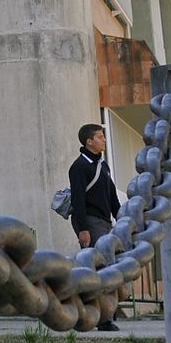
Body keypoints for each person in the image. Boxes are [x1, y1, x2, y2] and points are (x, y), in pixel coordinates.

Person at [68, 122, 121, 331]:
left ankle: (107, 314)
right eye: (100, 137)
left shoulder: (103, 165)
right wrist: (83, 229)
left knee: (109, 268)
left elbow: (112, 195)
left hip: (105, 222)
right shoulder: (79, 167)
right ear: (89, 141)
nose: (104, 140)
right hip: (90, 221)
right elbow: (78, 200)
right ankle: (102, 319)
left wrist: (121, 218)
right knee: (98, 269)